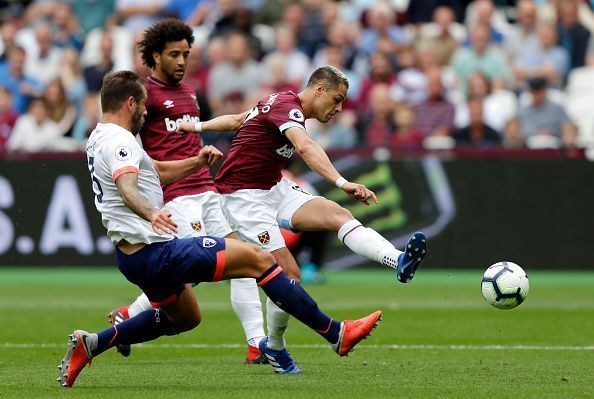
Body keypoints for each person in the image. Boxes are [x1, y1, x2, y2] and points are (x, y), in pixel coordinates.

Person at [57, 70, 382, 387]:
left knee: (186, 317)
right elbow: (127, 187)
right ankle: (336, 333)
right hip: (156, 251)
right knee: (260, 260)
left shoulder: (101, 138)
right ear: (130, 103)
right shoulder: (118, 141)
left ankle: (93, 344)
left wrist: (196, 163)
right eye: (143, 105)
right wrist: (152, 211)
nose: (146, 111)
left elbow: (153, 172)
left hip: (133, 257)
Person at [178, 65, 426, 374]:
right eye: (336, 100)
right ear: (319, 89)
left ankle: (398, 261)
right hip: (242, 198)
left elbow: (238, 120)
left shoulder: (278, 104)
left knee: (338, 214)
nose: (338, 109)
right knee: (287, 272)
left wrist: (198, 127)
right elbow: (306, 146)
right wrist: (341, 182)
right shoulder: (286, 106)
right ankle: (275, 346)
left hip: (273, 187)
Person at [105, 18, 268, 364]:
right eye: (174, 54)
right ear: (155, 56)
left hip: (206, 191)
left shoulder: (191, 92)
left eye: (186, 54)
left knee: (245, 259)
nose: (182, 61)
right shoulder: (143, 96)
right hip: (176, 197)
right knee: (192, 273)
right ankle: (131, 313)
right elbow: (130, 146)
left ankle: (257, 343)